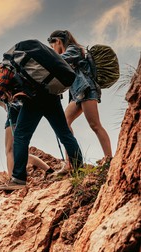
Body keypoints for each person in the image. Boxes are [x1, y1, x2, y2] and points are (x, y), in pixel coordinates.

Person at [0, 54, 83, 190]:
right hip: (49, 95)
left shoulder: (2, 72)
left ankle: (18, 179)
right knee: (64, 133)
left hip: (34, 100)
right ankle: (80, 170)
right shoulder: (11, 66)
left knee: (20, 137)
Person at [0, 83, 65, 191]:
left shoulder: (0, 86)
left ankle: (12, 181)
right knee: (20, 153)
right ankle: (49, 170)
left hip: (13, 115)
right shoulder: (10, 85)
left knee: (10, 150)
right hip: (21, 113)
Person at [48, 30, 112, 163]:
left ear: (58, 41)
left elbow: (59, 61)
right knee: (64, 124)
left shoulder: (73, 50)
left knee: (95, 125)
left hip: (87, 89)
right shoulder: (72, 50)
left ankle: (109, 159)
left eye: (52, 46)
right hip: (78, 94)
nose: (53, 50)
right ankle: (70, 163)